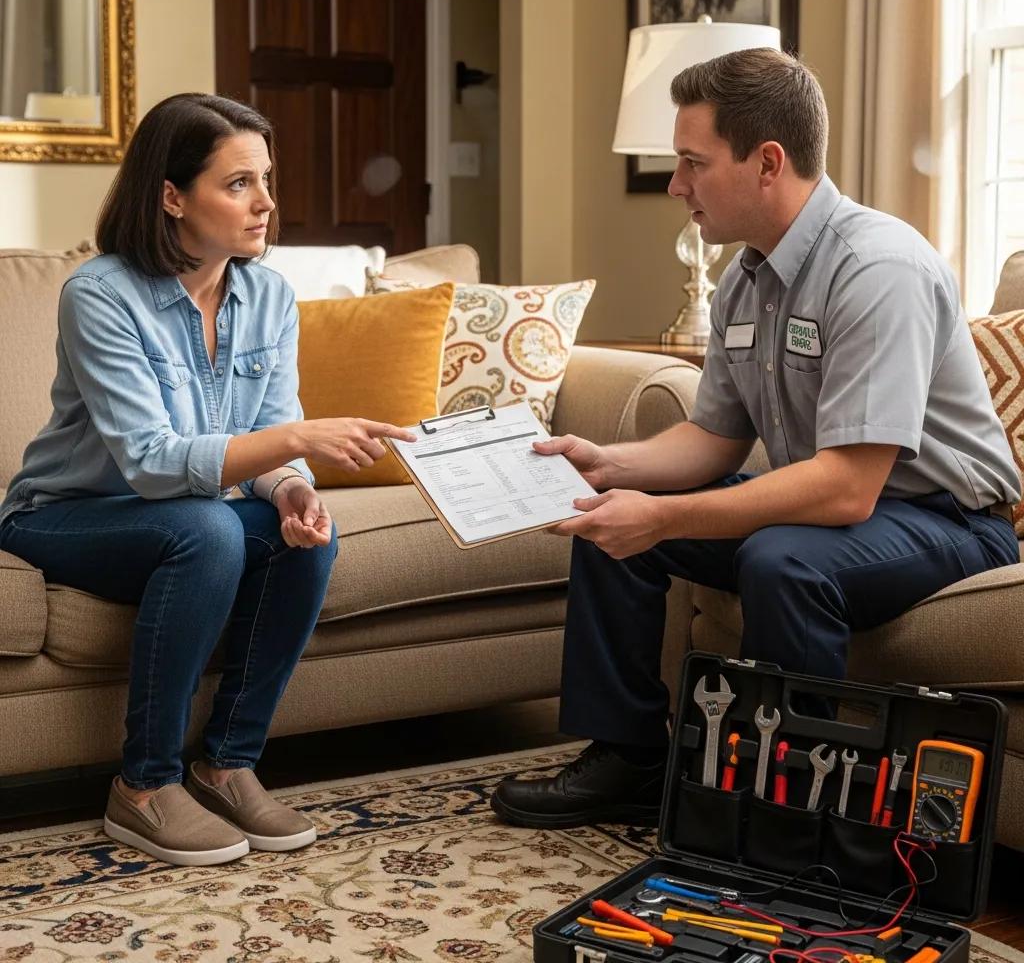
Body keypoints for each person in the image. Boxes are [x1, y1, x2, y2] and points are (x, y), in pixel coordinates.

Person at [489, 48, 1021, 830]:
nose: (676, 186)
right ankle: (630, 759)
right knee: (612, 517)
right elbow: (714, 438)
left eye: (692, 164)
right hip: (840, 504)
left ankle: (791, 814)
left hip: (951, 521)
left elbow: (846, 487)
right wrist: (609, 464)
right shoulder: (746, 276)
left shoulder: (877, 268)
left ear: (767, 162)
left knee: (782, 561)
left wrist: (667, 517)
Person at [0, 93, 416, 865]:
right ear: (171, 196)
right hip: (63, 514)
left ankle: (226, 765)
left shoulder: (270, 296)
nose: (266, 203)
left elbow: (271, 445)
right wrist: (293, 440)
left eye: (266, 179)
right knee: (208, 528)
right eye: (237, 184)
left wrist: (293, 488)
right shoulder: (101, 296)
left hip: (182, 514)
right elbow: (154, 462)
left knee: (307, 540)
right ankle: (144, 788)